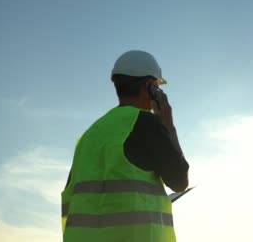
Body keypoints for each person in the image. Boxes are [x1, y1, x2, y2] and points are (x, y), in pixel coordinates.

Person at [61, 50, 189, 242]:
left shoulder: (88, 136)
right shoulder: (145, 122)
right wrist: (168, 124)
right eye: (156, 86)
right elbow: (180, 180)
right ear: (149, 87)